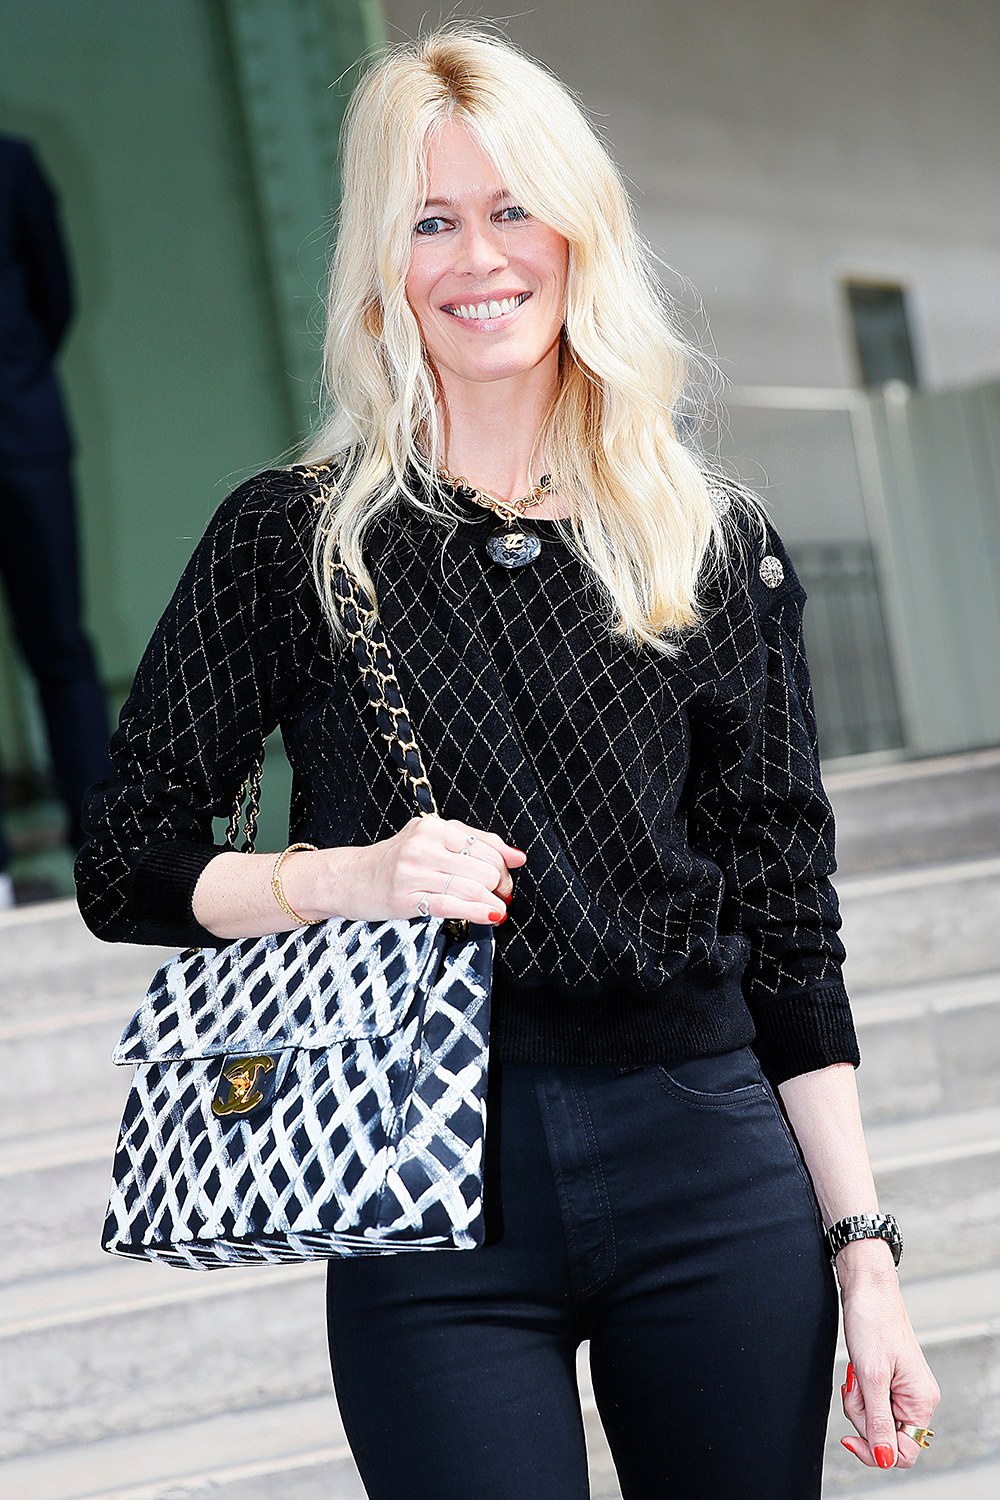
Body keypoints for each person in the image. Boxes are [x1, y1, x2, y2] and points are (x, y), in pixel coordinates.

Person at [75, 29, 939, 1500]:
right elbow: (121, 862)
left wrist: (864, 1258)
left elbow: (791, 918)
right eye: (430, 219)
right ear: (382, 262)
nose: (478, 257)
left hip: (706, 1159)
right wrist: (348, 875)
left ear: (578, 231)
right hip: (427, 1177)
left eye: (510, 208)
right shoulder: (290, 540)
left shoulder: (710, 544)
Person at [0, 134, 111, 905]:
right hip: (26, 424)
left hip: (23, 436)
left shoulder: (12, 165)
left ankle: (102, 848)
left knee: (60, 646)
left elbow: (55, 294)